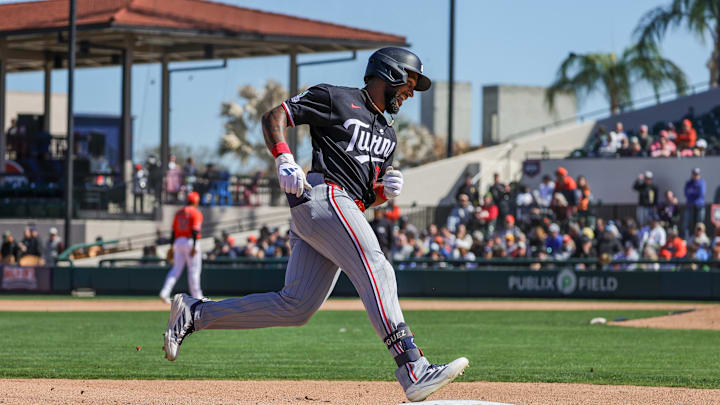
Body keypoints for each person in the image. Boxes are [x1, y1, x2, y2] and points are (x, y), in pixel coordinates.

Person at [161, 47, 468, 402]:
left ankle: (195, 312)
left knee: (297, 305)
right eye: (410, 82)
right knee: (376, 266)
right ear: (391, 74)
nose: (411, 92)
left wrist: (382, 192)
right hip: (322, 196)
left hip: (338, 209)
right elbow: (273, 116)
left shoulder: (389, 135)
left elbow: (364, 199)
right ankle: (412, 366)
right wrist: (284, 159)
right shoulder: (336, 97)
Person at [159, 191, 204, 303]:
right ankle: (198, 297)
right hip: (190, 241)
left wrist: (171, 246)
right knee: (194, 271)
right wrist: (194, 246)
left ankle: (165, 292)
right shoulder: (196, 213)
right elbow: (194, 230)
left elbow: (173, 231)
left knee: (176, 269)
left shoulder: (179, 213)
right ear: (196, 201)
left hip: (178, 242)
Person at [683, 168, 706, 238]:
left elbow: (701, 193)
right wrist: (695, 191)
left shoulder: (702, 182)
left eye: (697, 174)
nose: (696, 176)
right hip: (690, 205)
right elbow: (686, 193)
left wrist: (692, 192)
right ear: (692, 174)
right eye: (694, 174)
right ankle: (687, 238)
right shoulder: (688, 183)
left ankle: (699, 237)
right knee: (687, 223)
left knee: (699, 223)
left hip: (700, 206)